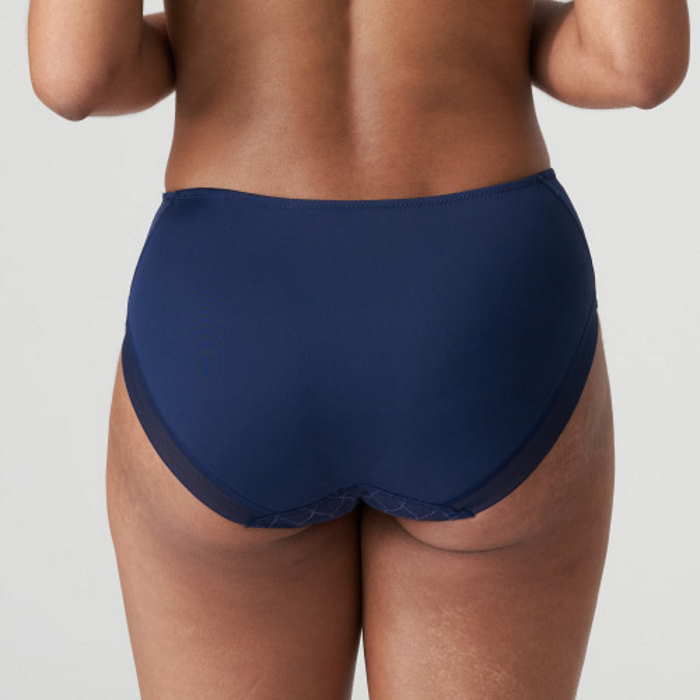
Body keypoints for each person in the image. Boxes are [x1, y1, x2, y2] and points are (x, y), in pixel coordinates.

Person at [28, 1, 689, 698]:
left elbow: (78, 75)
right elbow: (632, 64)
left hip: (233, 314)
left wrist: (214, 42)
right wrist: (487, 37)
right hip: (478, 300)